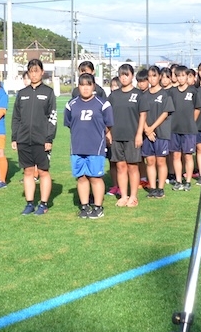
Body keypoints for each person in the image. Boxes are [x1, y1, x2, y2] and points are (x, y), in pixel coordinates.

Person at [65, 73, 114, 218]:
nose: (85, 88)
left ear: (93, 86)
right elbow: (69, 123)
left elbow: (108, 124)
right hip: (77, 147)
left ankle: (98, 207)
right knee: (81, 177)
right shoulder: (71, 104)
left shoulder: (103, 104)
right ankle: (84, 206)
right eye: (82, 85)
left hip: (95, 147)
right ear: (78, 86)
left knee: (95, 177)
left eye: (88, 84)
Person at [12, 58, 57, 215]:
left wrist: (48, 138)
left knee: (43, 171)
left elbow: (52, 117)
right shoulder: (22, 94)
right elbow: (16, 117)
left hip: (41, 140)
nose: (34, 74)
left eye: (36, 71)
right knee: (28, 172)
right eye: (31, 71)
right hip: (24, 139)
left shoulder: (48, 92)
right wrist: (14, 137)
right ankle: (30, 203)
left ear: (42, 72)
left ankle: (43, 204)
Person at [107, 63, 144, 207]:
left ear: (132, 76)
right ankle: (123, 196)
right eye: (121, 74)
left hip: (132, 136)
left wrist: (139, 133)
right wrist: (108, 132)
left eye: (126, 74)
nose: (124, 77)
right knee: (120, 166)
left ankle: (133, 196)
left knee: (133, 166)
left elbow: (143, 115)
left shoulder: (138, 94)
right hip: (117, 136)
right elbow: (107, 116)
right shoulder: (114, 95)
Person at [138, 65, 174, 199]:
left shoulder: (165, 94)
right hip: (147, 133)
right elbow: (141, 113)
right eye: (149, 76)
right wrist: (146, 129)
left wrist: (152, 128)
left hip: (161, 133)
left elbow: (165, 113)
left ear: (159, 76)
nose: (152, 79)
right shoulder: (144, 95)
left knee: (161, 162)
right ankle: (152, 188)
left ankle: (160, 188)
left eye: (154, 76)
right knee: (150, 161)